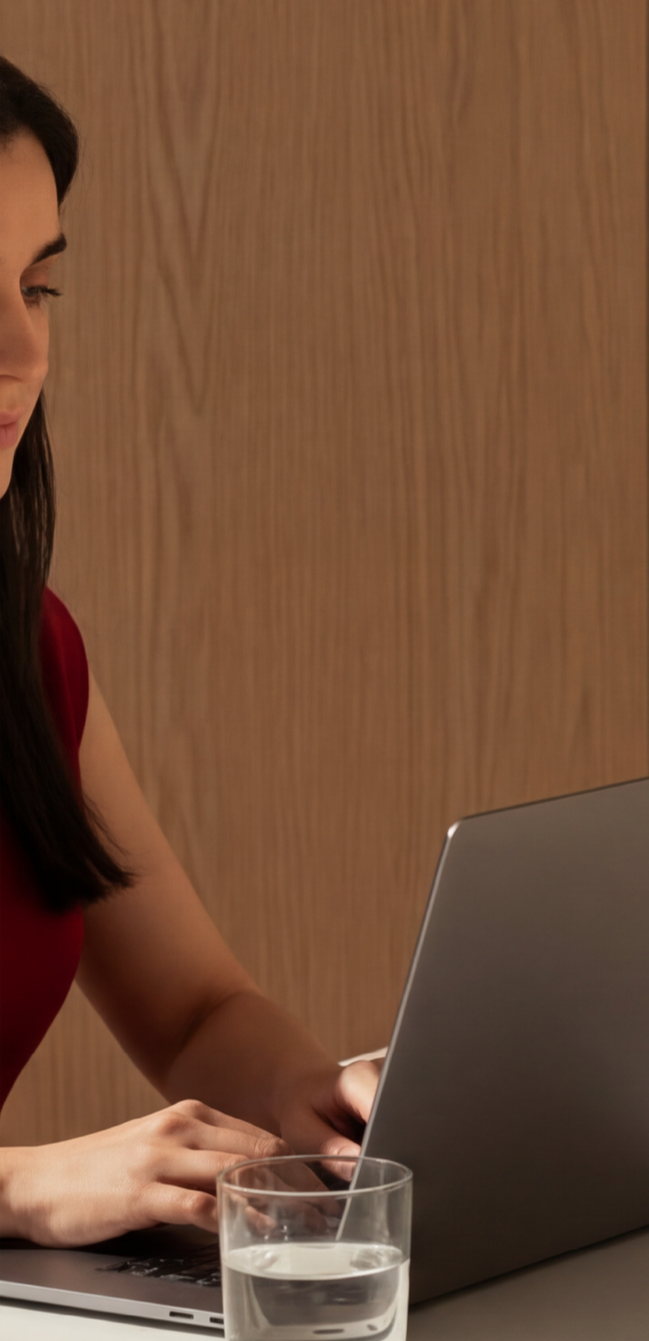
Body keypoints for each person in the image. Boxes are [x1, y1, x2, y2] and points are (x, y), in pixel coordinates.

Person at [0, 57, 377, 1249]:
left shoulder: (29, 647)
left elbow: (196, 1008)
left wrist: (331, 1121)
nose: (22, 352)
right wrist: (17, 1184)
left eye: (38, 288)